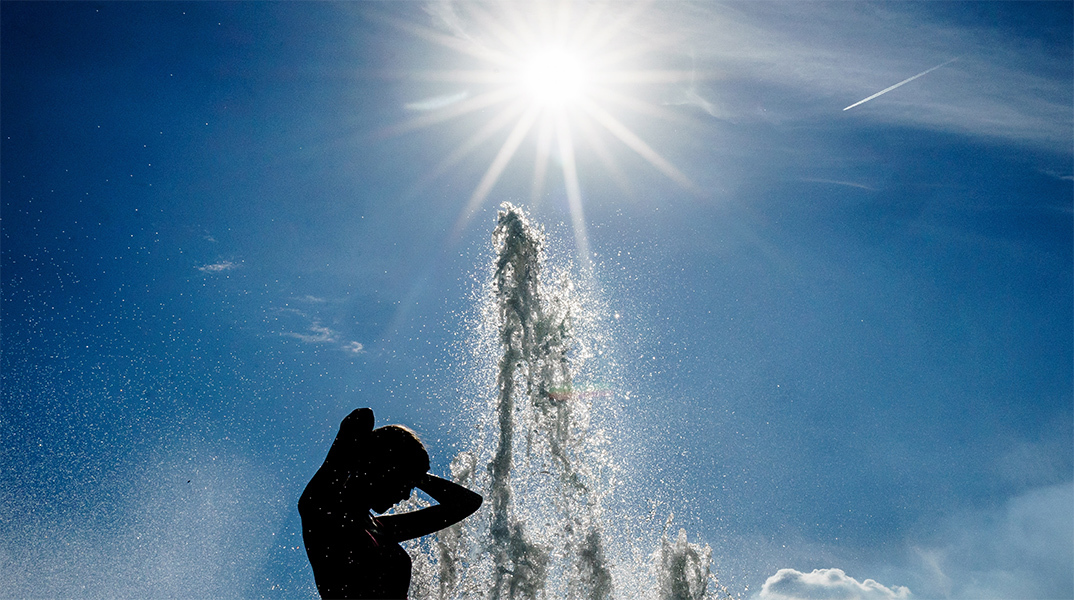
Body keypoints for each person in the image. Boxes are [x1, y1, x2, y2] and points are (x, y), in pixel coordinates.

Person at [299, 408, 482, 599]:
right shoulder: (321, 508)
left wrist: (416, 475)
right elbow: (361, 418)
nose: (405, 496)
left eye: (411, 486)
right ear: (385, 469)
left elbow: (467, 503)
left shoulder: (383, 529)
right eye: (405, 484)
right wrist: (378, 460)